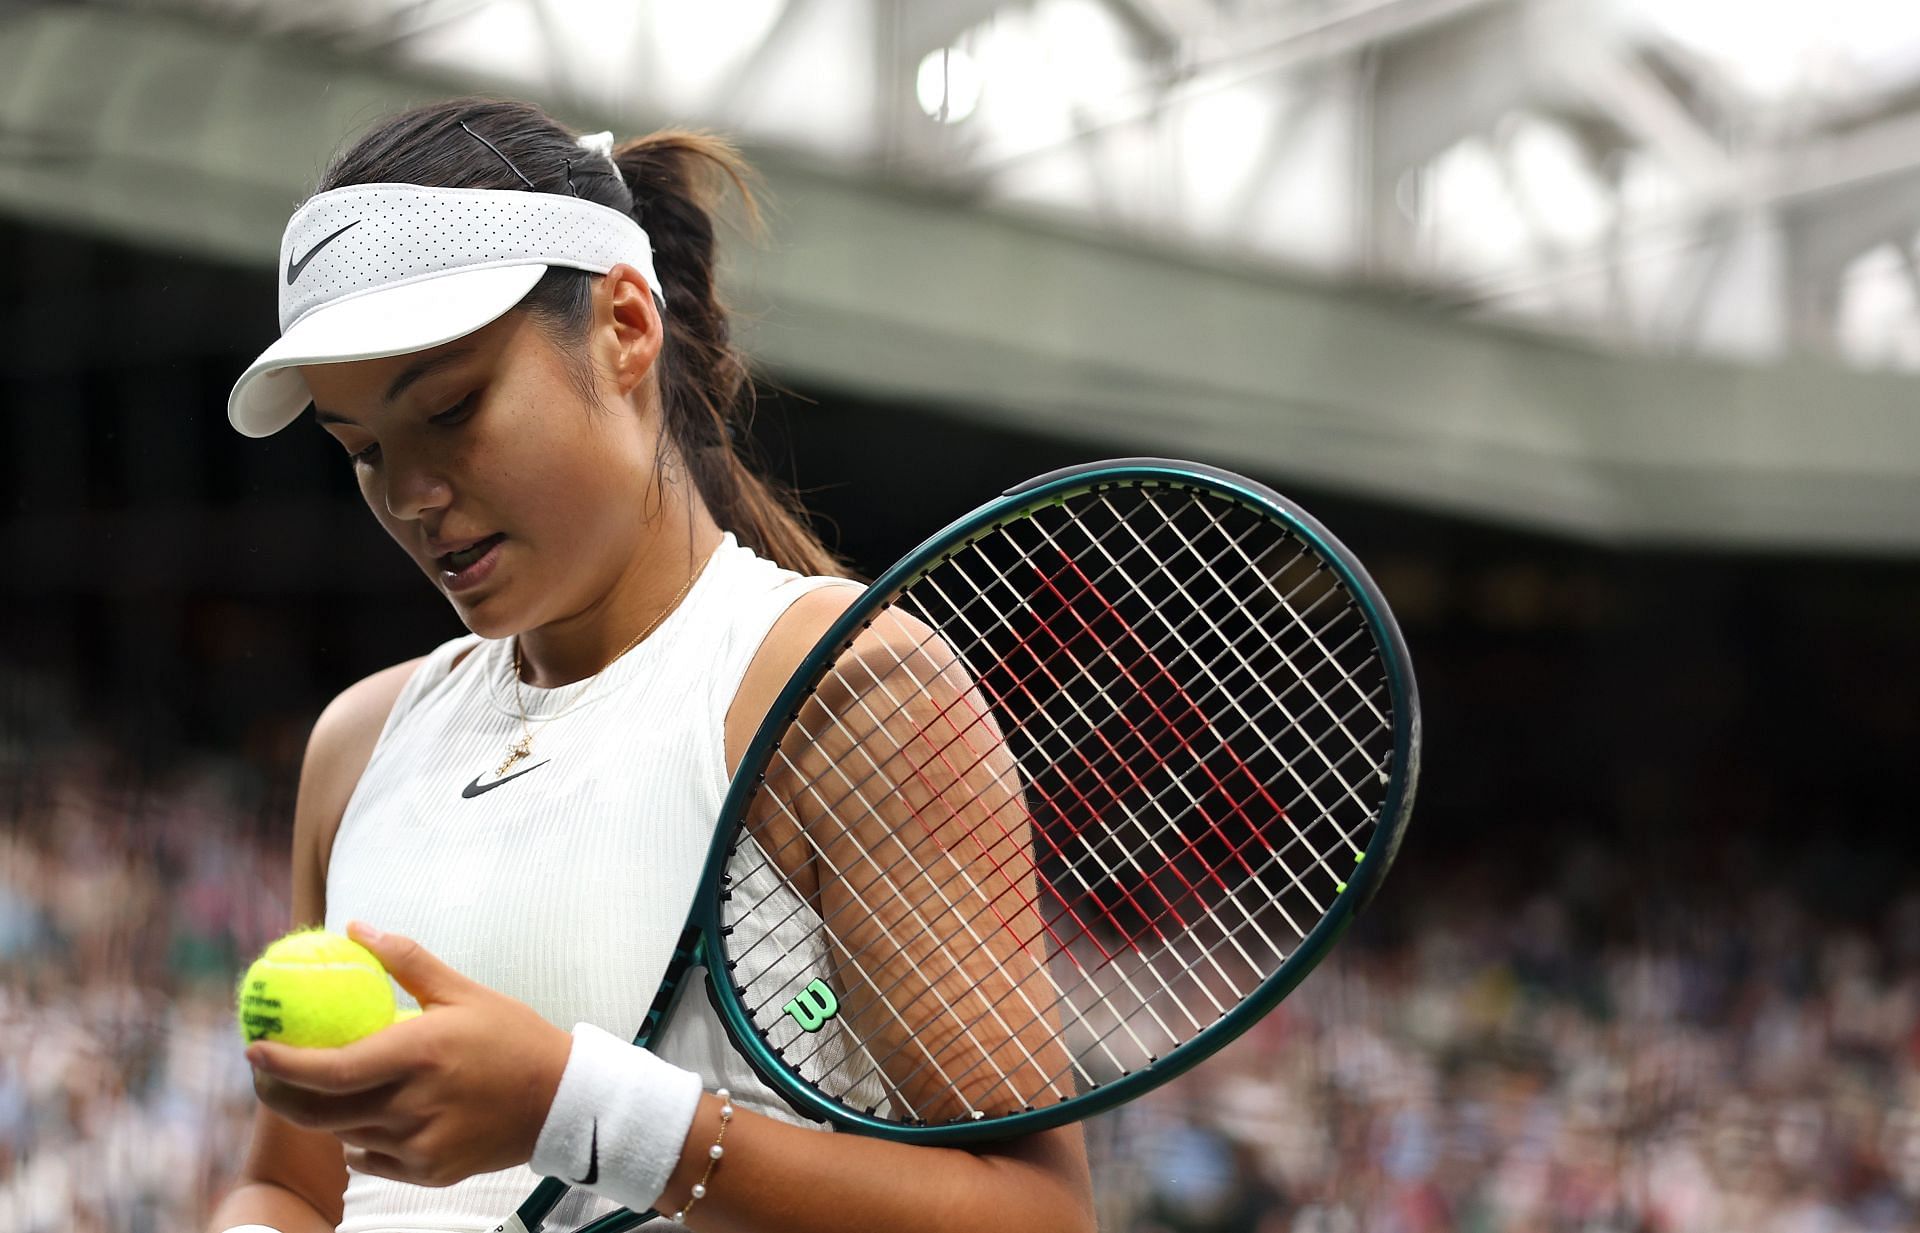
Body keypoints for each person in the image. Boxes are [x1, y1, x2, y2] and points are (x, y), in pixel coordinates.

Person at [206, 98, 1094, 1233]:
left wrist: (572, 1112)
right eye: (365, 451)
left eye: (452, 408)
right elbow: (293, 1182)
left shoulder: (843, 689)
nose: (411, 495)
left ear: (626, 324)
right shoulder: (357, 746)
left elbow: (1038, 1218)